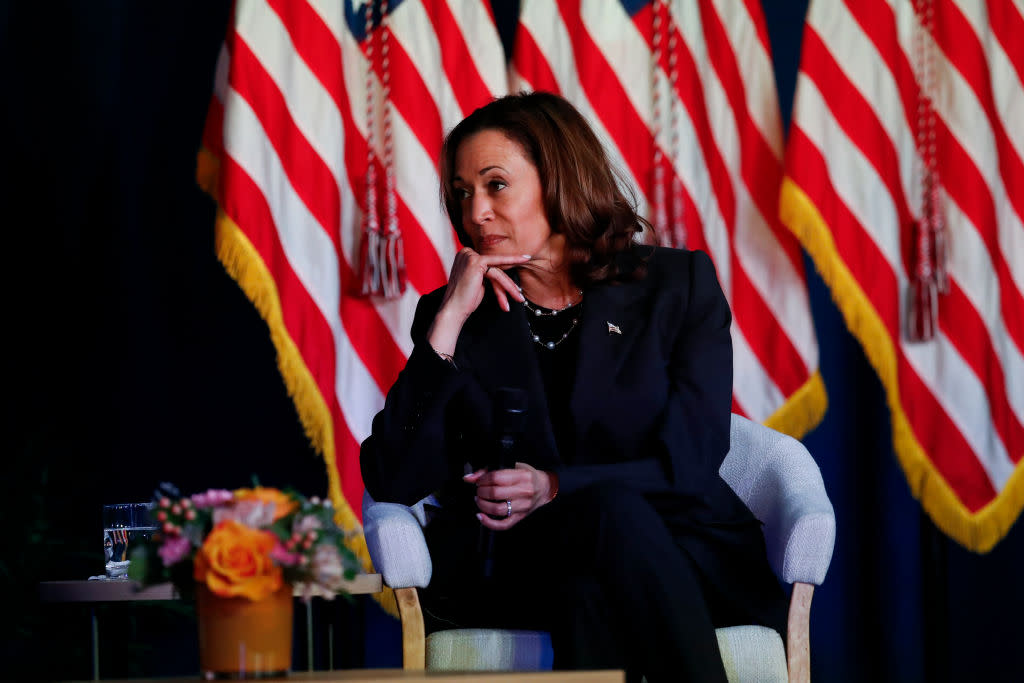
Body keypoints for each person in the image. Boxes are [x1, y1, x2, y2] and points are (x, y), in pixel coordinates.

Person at [360, 92, 787, 682]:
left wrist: (555, 486)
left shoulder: (675, 285)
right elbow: (393, 477)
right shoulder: (455, 314)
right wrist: (449, 323)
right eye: (462, 193)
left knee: (595, 561)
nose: (476, 212)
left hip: (676, 546)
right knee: (587, 559)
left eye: (495, 185)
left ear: (558, 180)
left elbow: (690, 462)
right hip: (521, 563)